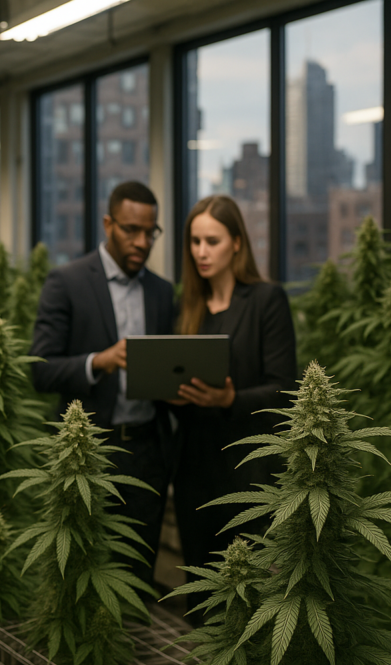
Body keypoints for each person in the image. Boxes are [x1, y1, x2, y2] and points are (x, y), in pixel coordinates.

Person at [30, 181, 176, 586]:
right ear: (109, 224)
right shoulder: (67, 282)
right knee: (84, 564)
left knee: (139, 568)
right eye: (131, 230)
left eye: (151, 232)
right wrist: (100, 361)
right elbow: (41, 369)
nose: (142, 242)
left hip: (148, 449)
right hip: (89, 451)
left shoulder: (162, 292)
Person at [171, 194, 296, 576]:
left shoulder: (266, 300)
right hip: (193, 474)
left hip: (249, 473)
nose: (201, 252)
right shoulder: (187, 308)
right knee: (201, 592)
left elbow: (284, 389)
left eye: (213, 241)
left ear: (237, 242)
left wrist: (230, 399)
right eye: (195, 242)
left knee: (249, 591)